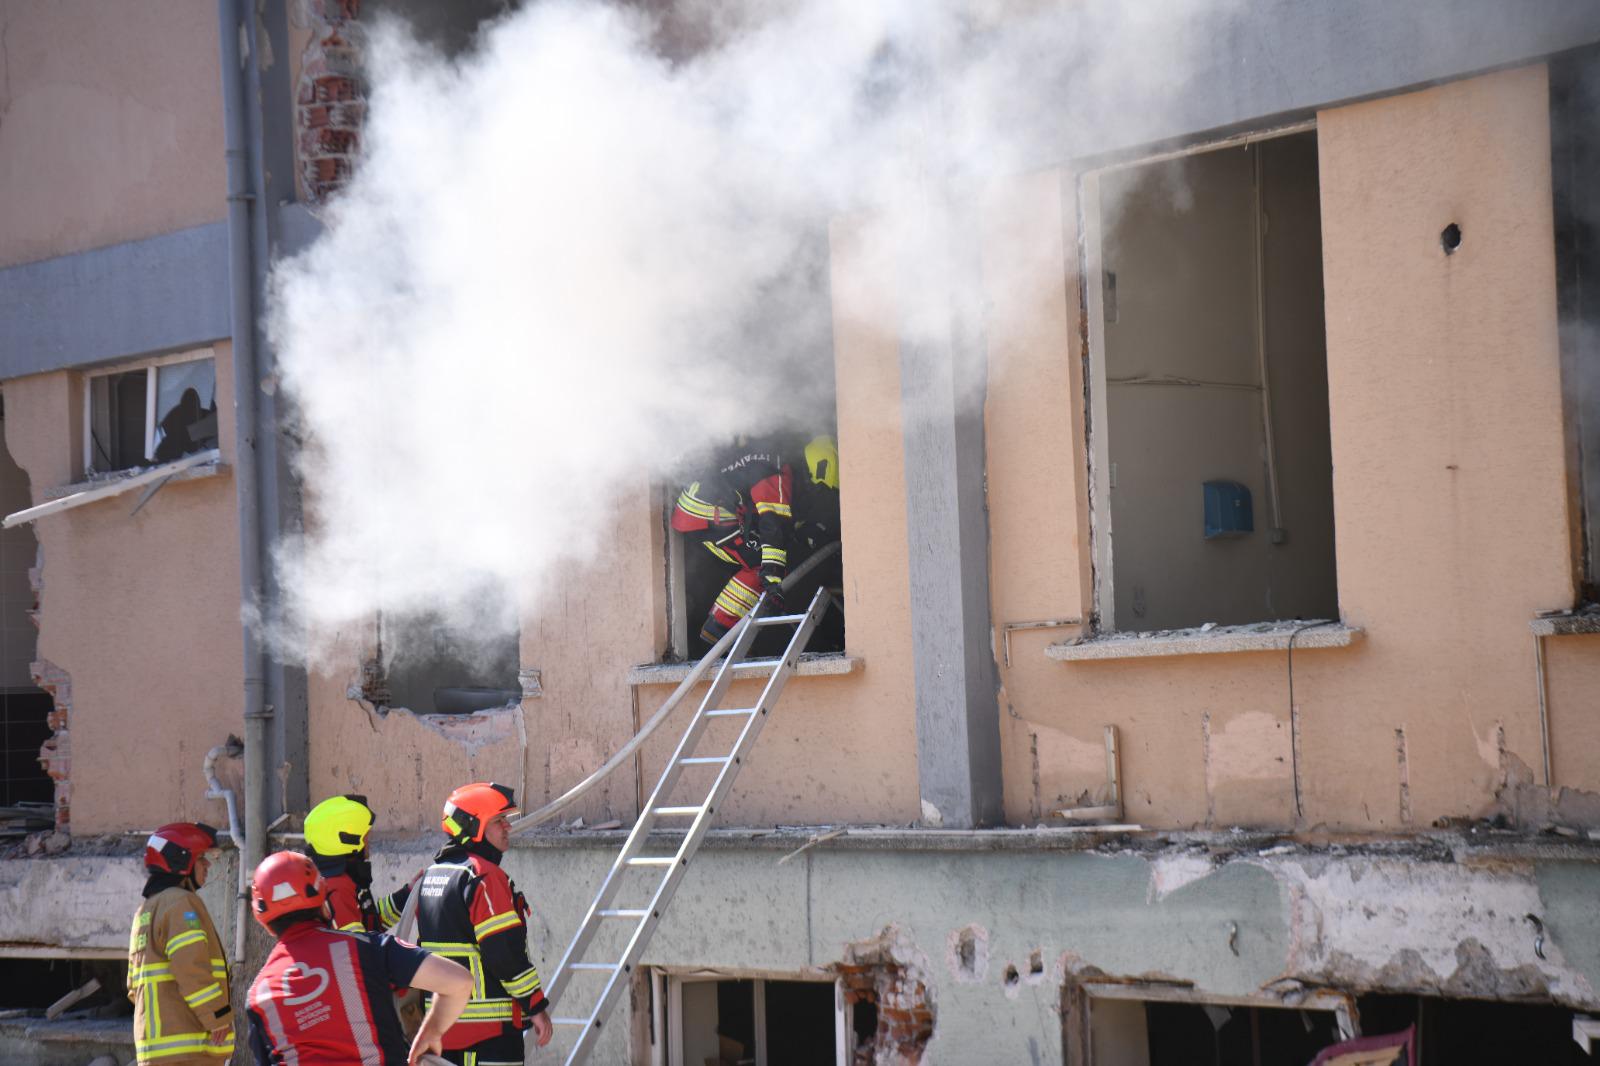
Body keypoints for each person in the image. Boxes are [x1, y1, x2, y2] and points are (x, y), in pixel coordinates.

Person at [245, 850, 474, 1066]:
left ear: (264, 922)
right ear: (324, 902)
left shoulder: (259, 994)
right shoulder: (367, 948)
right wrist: (430, 1033)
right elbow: (458, 982)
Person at [416, 782, 553, 1065]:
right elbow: (503, 952)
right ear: (473, 826)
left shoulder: (433, 875)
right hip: (489, 1036)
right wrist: (535, 1005)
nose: (508, 827)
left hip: (441, 1031)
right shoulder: (484, 876)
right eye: (498, 821)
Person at [672, 434, 840, 643]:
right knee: (763, 562)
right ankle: (720, 627)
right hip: (705, 513)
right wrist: (773, 578)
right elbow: (773, 522)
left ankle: (726, 630)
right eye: (816, 488)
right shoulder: (775, 471)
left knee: (766, 560)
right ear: (812, 472)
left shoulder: (772, 459)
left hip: (702, 511)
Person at [127, 822, 234, 1065]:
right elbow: (191, 969)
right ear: (181, 861)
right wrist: (216, 1016)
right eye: (201, 859)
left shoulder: (145, 911)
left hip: (156, 1051)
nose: (208, 865)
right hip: (190, 1050)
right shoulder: (181, 903)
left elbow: (133, 987)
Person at [304, 793, 413, 932]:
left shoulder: (342, 880)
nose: (368, 843)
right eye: (365, 837)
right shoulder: (338, 888)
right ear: (349, 841)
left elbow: (371, 921)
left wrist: (408, 893)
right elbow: (358, 947)